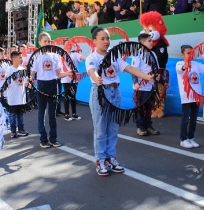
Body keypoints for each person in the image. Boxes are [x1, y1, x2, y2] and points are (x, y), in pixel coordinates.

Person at [86, 26, 156, 176]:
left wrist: (146, 77)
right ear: (94, 41)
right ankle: (100, 160)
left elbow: (130, 68)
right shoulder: (92, 57)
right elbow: (92, 70)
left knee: (113, 128)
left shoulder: (114, 57)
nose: (106, 41)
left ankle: (111, 158)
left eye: (108, 38)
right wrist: (96, 77)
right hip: (100, 93)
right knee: (100, 129)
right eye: (102, 39)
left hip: (115, 93)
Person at [30, 32, 72, 148]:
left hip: (53, 85)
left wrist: (68, 73)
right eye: (45, 41)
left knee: (52, 114)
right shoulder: (36, 56)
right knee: (41, 113)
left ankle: (53, 138)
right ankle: (43, 139)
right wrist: (29, 81)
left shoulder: (55, 55)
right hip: (42, 85)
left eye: (49, 41)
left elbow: (58, 74)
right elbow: (32, 73)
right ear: (39, 42)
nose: (47, 43)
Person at [132, 34, 160, 136]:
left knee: (149, 107)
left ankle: (148, 126)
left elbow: (156, 69)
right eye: (149, 41)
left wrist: (158, 78)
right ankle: (140, 127)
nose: (152, 42)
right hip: (141, 86)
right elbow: (134, 70)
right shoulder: (137, 54)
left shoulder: (153, 54)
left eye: (151, 40)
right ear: (142, 43)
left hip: (151, 86)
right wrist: (135, 83)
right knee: (141, 107)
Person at [176, 45, 203, 149]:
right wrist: (184, 66)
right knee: (185, 118)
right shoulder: (180, 63)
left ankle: (191, 138)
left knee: (194, 118)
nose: (191, 55)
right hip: (187, 97)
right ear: (182, 54)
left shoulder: (196, 64)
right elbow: (180, 68)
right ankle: (183, 139)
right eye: (188, 53)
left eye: (192, 53)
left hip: (197, 97)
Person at [5, 51, 29, 138]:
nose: (21, 59)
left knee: (20, 114)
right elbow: (6, 83)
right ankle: (13, 130)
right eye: (20, 57)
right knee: (12, 114)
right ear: (14, 59)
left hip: (21, 96)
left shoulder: (22, 69)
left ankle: (21, 129)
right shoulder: (9, 70)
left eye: (21, 57)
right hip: (12, 96)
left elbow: (26, 82)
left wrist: (29, 84)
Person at [61, 44, 86, 121]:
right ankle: (66, 114)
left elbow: (82, 57)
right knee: (66, 96)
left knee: (73, 96)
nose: (69, 47)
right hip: (65, 78)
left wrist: (90, 57)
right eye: (67, 45)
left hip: (74, 79)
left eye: (70, 45)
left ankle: (74, 114)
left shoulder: (75, 54)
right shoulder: (61, 55)